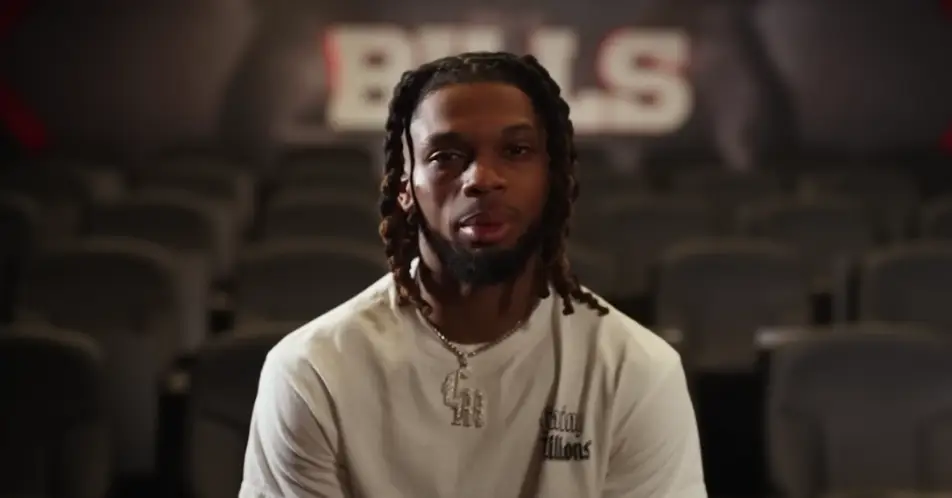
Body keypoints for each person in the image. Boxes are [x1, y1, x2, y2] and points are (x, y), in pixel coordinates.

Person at [240, 51, 707, 498]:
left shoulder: (636, 372)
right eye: (446, 156)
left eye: (516, 150)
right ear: (404, 186)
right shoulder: (312, 371)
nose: (482, 178)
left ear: (552, 178)